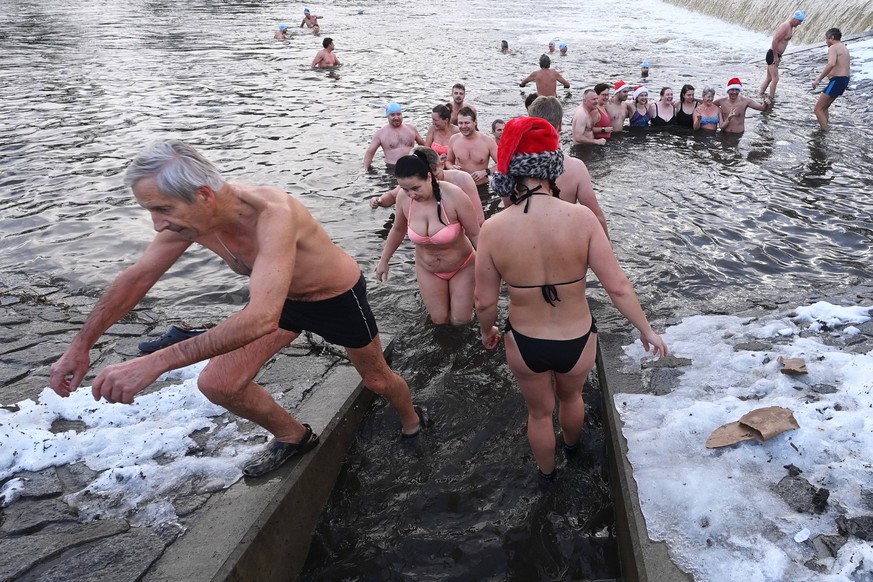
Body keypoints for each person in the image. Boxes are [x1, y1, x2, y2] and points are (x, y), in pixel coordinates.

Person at [48, 140, 425, 479]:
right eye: (151, 210)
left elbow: (261, 318)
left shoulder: (274, 213)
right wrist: (80, 345)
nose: (157, 223)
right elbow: (136, 278)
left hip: (334, 300)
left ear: (204, 195)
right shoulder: (189, 222)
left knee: (376, 380)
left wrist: (156, 361)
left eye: (162, 209)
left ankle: (412, 422)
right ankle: (294, 437)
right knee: (218, 383)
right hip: (278, 300)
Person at [475, 117, 667, 482]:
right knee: (571, 399)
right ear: (553, 165)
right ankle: (574, 450)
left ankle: (548, 479)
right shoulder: (582, 219)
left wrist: (488, 331)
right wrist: (647, 330)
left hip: (525, 340)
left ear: (512, 170)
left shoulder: (493, 228)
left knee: (538, 414)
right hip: (577, 339)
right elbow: (618, 287)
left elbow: (484, 301)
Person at [377, 151, 480, 325]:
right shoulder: (403, 198)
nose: (411, 195)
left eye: (416, 188)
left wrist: (491, 269)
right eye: (405, 189)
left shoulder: (454, 196)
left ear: (428, 177)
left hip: (462, 265)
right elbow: (397, 229)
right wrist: (384, 260)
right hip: (428, 268)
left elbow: (475, 233)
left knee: (460, 320)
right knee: (439, 320)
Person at [526, 96, 610, 238]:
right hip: (563, 237)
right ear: (560, 126)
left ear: (529, 124)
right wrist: (608, 245)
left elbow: (510, 209)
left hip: (528, 238)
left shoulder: (514, 167)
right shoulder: (576, 168)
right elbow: (597, 216)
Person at [371, 146, 485, 226]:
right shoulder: (413, 184)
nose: (432, 181)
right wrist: (379, 200)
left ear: (441, 164)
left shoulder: (462, 179)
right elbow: (391, 197)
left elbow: (479, 219)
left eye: (435, 174)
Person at [447, 107, 498, 198]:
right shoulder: (454, 139)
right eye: (460, 123)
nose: (463, 126)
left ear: (475, 123)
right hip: (460, 187)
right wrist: (451, 167)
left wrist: (486, 171)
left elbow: (503, 164)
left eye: (467, 123)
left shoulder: (488, 141)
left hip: (481, 187)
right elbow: (448, 161)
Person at [363, 102, 425, 171]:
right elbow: (370, 152)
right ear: (387, 116)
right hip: (392, 168)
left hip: (411, 165)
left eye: (398, 114)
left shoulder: (411, 129)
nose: (396, 117)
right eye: (392, 115)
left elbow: (424, 145)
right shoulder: (380, 134)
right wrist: (365, 169)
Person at [759, 10, 805, 98]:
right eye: (799, 21)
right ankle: (771, 99)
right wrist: (776, 57)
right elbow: (775, 41)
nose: (800, 24)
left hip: (775, 55)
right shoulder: (786, 26)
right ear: (795, 19)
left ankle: (760, 93)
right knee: (775, 79)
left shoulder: (790, 26)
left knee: (769, 78)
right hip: (773, 54)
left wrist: (778, 56)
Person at [811, 28, 851, 131]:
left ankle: (824, 133)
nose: (825, 41)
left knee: (817, 109)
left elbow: (831, 63)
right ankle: (824, 127)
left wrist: (818, 79)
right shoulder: (843, 47)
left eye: (826, 38)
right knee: (824, 108)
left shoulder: (833, 47)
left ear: (831, 38)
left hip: (837, 80)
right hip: (843, 80)